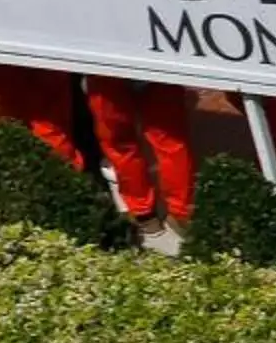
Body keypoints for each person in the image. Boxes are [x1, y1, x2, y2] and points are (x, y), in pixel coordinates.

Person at [84, 75, 196, 240]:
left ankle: (144, 212)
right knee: (170, 141)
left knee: (119, 140)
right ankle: (181, 213)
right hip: (154, 61)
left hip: (105, 65)